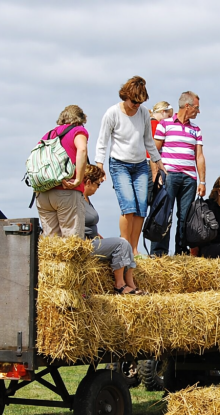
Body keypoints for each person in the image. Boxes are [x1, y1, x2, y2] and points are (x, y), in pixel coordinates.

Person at [95, 76, 164, 256]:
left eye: (140, 102)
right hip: (119, 165)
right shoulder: (112, 113)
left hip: (140, 165)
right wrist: (99, 165)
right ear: (125, 96)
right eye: (134, 101)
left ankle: (133, 248)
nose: (136, 105)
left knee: (141, 207)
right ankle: (124, 246)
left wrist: (158, 162)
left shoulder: (143, 114)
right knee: (128, 206)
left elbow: (149, 141)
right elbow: (102, 141)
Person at [150, 91, 206, 256]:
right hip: (170, 175)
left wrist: (202, 181)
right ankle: (159, 253)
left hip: (189, 179)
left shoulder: (196, 129)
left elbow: (199, 156)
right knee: (164, 214)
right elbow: (154, 151)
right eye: (196, 107)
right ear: (187, 106)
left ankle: (181, 252)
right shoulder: (165, 124)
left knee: (185, 217)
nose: (198, 111)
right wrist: (156, 174)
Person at [83, 164, 145, 295]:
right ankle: (119, 285)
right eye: (98, 184)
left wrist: (103, 240)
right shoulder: (76, 200)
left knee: (124, 243)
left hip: (94, 241)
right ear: (88, 182)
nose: (98, 188)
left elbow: (90, 227)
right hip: (86, 245)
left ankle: (131, 284)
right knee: (121, 243)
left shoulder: (87, 200)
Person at [35, 105, 88, 238]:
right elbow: (82, 150)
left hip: (43, 194)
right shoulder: (77, 131)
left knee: (52, 245)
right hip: (67, 191)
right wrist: (78, 179)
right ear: (79, 120)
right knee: (71, 243)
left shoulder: (48, 135)